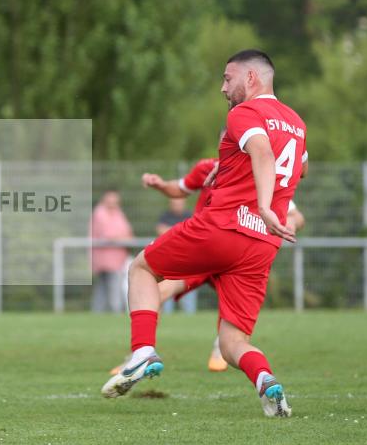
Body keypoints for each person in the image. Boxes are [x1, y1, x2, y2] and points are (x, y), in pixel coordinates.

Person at [102, 49, 307, 418]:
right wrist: (236, 175)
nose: (222, 87)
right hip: (261, 244)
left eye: (228, 79)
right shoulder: (296, 123)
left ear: (250, 78)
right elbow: (297, 170)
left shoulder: (244, 113)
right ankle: (267, 383)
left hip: (225, 226)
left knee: (142, 269)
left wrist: (260, 202)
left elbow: (261, 151)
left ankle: (142, 350)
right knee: (233, 343)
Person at [137, 151, 306, 373]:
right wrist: (160, 185)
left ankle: (218, 345)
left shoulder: (260, 174)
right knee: (156, 289)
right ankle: (140, 351)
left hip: (231, 250)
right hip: (206, 250)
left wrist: (290, 223)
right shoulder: (208, 167)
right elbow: (179, 189)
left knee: (144, 272)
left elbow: (297, 215)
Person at [90, 189, 133, 313]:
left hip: (118, 258)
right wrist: (122, 238)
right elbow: (108, 235)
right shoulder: (100, 213)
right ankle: (115, 312)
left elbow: (128, 231)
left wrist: (123, 237)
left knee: (103, 289)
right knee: (113, 288)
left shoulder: (118, 213)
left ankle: (97, 313)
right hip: (105, 258)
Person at [155, 197, 196, 314]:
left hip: (187, 263)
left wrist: (171, 231)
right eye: (174, 203)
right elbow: (160, 230)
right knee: (166, 292)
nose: (177, 205)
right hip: (169, 262)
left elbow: (194, 232)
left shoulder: (190, 215)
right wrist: (182, 231)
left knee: (188, 292)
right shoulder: (165, 216)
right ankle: (167, 315)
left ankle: (189, 316)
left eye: (179, 202)